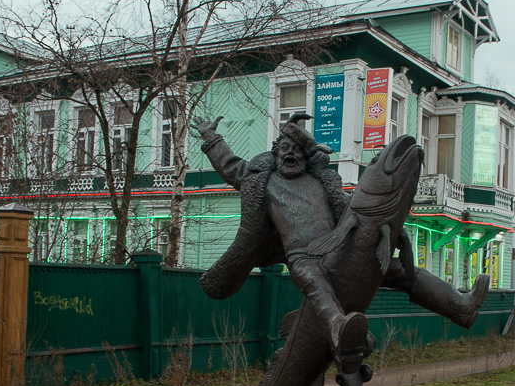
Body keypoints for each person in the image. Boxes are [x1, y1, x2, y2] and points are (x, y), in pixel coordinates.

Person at [192, 113, 488, 370]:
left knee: (400, 270)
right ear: (275, 153)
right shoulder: (261, 180)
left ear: (308, 157)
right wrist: (210, 136)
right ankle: (339, 329)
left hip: (339, 251)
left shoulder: (322, 182)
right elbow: (230, 165)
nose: (290, 154)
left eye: (297, 150)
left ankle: (459, 305)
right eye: (284, 148)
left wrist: (391, 229)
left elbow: (352, 209)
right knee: (315, 282)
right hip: (302, 257)